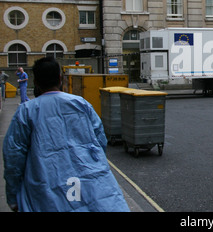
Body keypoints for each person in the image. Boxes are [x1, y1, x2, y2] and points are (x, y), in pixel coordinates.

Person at [3, 57, 130, 212]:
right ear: (60, 78)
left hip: (45, 185)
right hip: (87, 182)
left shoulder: (26, 111)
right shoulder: (81, 104)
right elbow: (100, 141)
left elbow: (13, 158)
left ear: (35, 82)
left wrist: (13, 196)